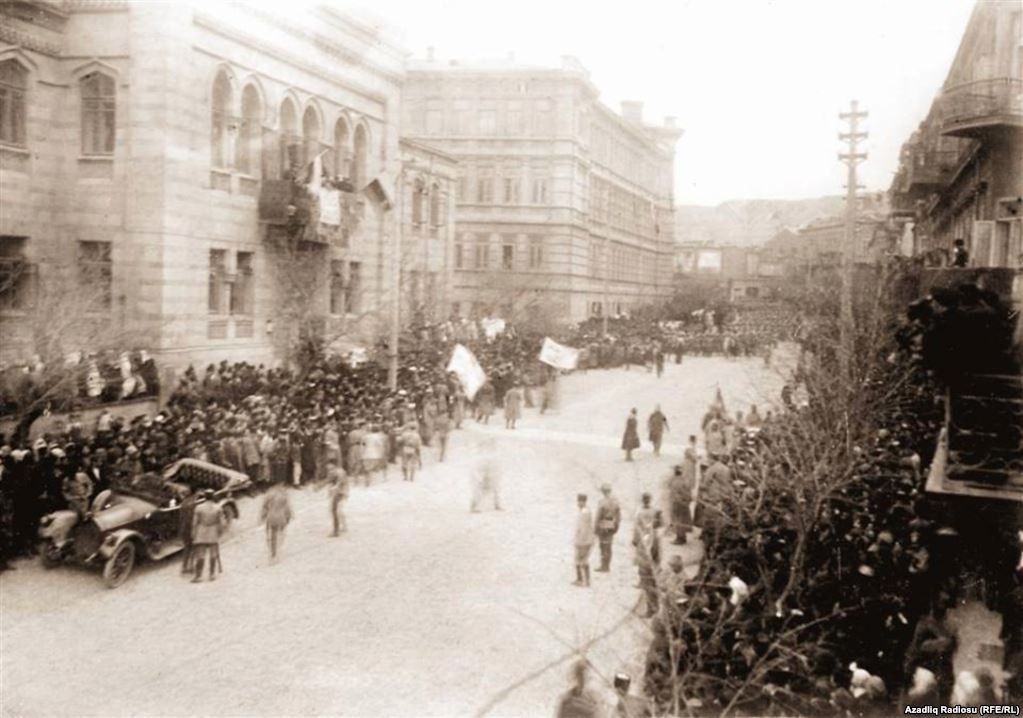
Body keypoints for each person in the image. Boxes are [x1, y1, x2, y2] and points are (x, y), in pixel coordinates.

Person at [191, 490, 225, 582]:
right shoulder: (218, 508)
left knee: (200, 555)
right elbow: (222, 523)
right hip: (213, 532)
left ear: (204, 497)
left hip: (201, 532)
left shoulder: (199, 508)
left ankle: (198, 576)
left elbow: (194, 523)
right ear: (213, 496)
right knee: (213, 554)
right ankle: (212, 575)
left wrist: (193, 533)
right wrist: (219, 533)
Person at [260, 482, 292, 562]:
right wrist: (288, 518)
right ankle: (277, 553)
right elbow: (288, 509)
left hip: (271, 517)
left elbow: (264, 508)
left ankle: (273, 554)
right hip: (281, 518)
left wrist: (262, 517)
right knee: (280, 535)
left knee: (272, 536)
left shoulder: (269, 494)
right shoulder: (284, 495)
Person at [595, 483, 622, 572]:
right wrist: (616, 526)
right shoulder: (616, 501)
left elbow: (598, 516)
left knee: (603, 545)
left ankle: (604, 566)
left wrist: (595, 527)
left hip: (603, 524)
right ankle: (607, 566)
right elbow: (619, 516)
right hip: (611, 524)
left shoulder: (602, 502)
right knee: (609, 546)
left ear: (603, 492)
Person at [573, 493, 595, 587]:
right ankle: (585, 580)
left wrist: (578, 541)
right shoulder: (587, 511)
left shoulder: (584, 513)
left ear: (582, 502)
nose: (578, 503)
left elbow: (583, 528)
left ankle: (581, 580)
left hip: (583, 540)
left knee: (579, 560)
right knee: (582, 560)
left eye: (579, 501)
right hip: (587, 539)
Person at [668, 464, 693, 545]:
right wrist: (687, 501)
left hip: (677, 503)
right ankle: (683, 537)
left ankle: (679, 538)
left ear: (675, 472)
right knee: (684, 520)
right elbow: (689, 493)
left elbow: (674, 493)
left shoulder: (675, 481)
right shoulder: (685, 480)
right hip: (684, 503)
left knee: (677, 520)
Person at [327, 457, 349, 537]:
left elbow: (340, 482)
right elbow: (330, 482)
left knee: (336, 511)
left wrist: (334, 488)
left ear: (333, 465)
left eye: (329, 465)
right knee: (338, 511)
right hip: (338, 492)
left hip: (341, 492)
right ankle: (342, 527)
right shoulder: (332, 472)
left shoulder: (340, 472)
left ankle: (336, 530)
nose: (328, 467)